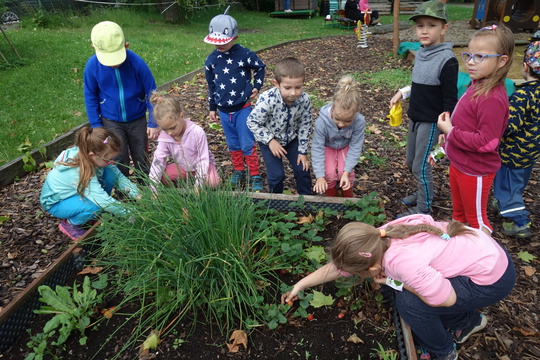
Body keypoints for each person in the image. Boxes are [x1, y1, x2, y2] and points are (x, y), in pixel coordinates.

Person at [282, 214, 516, 360]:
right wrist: (299, 285)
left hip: (492, 280)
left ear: (373, 268)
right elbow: (337, 267)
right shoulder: (379, 236)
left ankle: (443, 351)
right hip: (486, 254)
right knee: (405, 291)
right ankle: (467, 323)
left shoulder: (402, 264)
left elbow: (446, 299)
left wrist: (400, 284)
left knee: (410, 303)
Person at [435, 24, 514, 235]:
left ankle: (486, 261)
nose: (470, 61)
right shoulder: (478, 83)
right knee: (459, 213)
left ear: (502, 61)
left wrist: (451, 132)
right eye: (469, 54)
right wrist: (449, 138)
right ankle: (456, 246)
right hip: (460, 164)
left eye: (480, 56)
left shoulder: (492, 97)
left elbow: (486, 141)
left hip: (475, 171)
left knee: (477, 221)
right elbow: (469, 124)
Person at [389, 0, 458, 218]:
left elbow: (449, 99)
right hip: (415, 118)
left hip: (431, 122)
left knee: (421, 165)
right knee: (411, 162)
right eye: (420, 26)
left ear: (444, 28)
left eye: (431, 25)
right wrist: (403, 92)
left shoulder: (448, 60)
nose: (425, 30)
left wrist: (446, 131)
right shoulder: (421, 52)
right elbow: (420, 85)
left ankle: (423, 207)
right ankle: (424, 191)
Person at [84, 21, 159, 180]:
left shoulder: (136, 62)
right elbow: (90, 96)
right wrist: (96, 126)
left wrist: (153, 122)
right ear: (94, 48)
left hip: (137, 120)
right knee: (117, 156)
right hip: (110, 121)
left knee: (141, 154)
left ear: (126, 45)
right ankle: (122, 191)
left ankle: (146, 187)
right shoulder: (92, 66)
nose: (114, 64)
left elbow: (152, 92)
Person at [40, 127, 141, 241]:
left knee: (111, 173)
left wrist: (138, 195)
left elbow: (118, 177)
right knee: (95, 205)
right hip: (57, 203)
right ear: (92, 155)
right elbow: (100, 200)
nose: (111, 162)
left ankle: (90, 213)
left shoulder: (89, 153)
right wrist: (130, 214)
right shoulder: (79, 172)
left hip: (76, 194)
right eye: (108, 160)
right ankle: (69, 224)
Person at [204, 6, 266, 192]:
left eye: (224, 41)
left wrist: (256, 86)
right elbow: (211, 85)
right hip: (223, 111)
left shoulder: (244, 54)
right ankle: (239, 169)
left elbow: (260, 67)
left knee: (247, 142)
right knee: (232, 143)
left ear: (235, 38)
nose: (219, 45)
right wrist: (212, 108)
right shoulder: (211, 60)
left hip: (243, 107)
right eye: (216, 42)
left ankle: (254, 174)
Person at [492, 41, 540, 239]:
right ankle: (503, 202)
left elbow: (510, 126)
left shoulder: (522, 95)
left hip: (512, 153)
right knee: (517, 182)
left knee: (507, 186)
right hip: (531, 152)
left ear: (525, 67)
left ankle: (520, 222)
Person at [247, 57, 312, 195]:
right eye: (287, 88)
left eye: (298, 87)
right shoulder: (267, 99)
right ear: (276, 83)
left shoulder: (304, 100)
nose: (293, 93)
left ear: (303, 83)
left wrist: (302, 151)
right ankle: (275, 203)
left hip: (292, 139)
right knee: (277, 176)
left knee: (303, 170)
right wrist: (270, 141)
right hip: (270, 140)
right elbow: (252, 122)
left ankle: (307, 202)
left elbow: (305, 125)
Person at [148, 92, 221, 190]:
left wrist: (199, 184)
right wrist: (153, 188)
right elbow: (158, 161)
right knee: (161, 176)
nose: (169, 133)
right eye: (165, 129)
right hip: (183, 167)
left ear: (181, 116)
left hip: (202, 166)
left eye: (172, 128)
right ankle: (180, 188)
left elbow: (203, 160)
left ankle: (200, 179)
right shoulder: (164, 137)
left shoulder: (197, 132)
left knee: (213, 182)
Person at [312, 75, 366, 197]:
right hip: (328, 146)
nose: (341, 124)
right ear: (333, 109)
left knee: (345, 172)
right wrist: (320, 176)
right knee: (329, 173)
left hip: (345, 146)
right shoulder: (322, 122)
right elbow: (317, 148)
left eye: (347, 121)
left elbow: (355, 147)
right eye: (337, 119)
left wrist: (346, 173)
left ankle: (347, 198)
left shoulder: (359, 121)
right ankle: (331, 200)